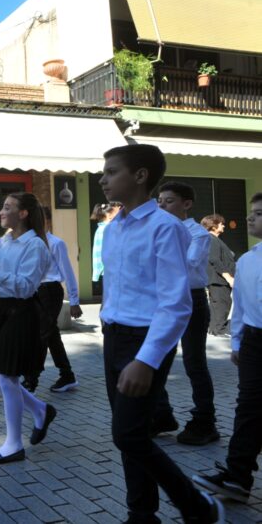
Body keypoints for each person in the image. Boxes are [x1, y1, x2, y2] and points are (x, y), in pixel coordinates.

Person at [98, 144, 224, 523]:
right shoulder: (114, 227)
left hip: (144, 341)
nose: (103, 179)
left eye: (112, 171)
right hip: (113, 336)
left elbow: (176, 303)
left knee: (128, 435)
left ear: (140, 176)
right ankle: (141, 513)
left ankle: (199, 508)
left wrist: (146, 359)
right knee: (131, 433)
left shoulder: (165, 227)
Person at [0, 192, 56, 465]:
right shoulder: (7, 239)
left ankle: (13, 444)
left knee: (8, 377)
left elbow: (25, 286)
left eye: (7, 208)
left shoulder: (36, 246)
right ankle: (40, 410)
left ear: (23, 214)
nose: (0, 213)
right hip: (2, 312)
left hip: (21, 312)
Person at [193, 192, 262, 505]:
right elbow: (244, 307)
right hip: (255, 343)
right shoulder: (248, 260)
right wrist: (237, 343)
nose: (249, 218)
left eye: (258, 214)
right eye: (251, 213)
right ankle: (237, 477)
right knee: (248, 410)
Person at [153, 181, 218, 445]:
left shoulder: (197, 233)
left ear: (186, 204)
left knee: (194, 362)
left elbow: (185, 265)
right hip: (163, 300)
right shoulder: (157, 230)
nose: (162, 206)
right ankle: (161, 415)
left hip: (191, 299)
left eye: (168, 201)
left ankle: (205, 420)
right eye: (160, 201)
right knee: (156, 358)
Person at [23, 206, 82, 394]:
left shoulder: (56, 243)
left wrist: (74, 300)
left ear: (47, 220)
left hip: (50, 291)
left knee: (42, 334)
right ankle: (67, 375)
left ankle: (31, 379)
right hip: (34, 291)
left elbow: (68, 272)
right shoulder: (29, 242)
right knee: (50, 335)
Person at [202, 214, 235, 338]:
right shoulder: (211, 239)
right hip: (219, 280)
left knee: (219, 304)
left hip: (218, 280)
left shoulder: (213, 239)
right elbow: (214, 259)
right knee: (222, 304)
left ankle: (214, 329)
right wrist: (228, 277)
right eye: (221, 224)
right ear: (214, 226)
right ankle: (219, 330)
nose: (224, 226)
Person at [91, 202, 121, 285]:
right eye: (118, 213)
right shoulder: (108, 229)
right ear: (110, 215)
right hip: (112, 270)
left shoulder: (103, 229)